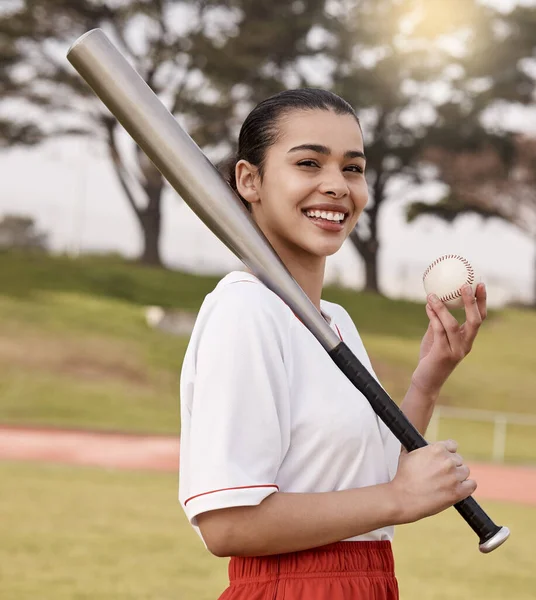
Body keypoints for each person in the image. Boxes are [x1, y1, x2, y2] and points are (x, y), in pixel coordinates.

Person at [178, 88, 487, 600]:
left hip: (366, 582)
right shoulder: (246, 310)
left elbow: (360, 482)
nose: (336, 186)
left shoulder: (334, 320)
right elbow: (227, 524)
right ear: (249, 180)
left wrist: (428, 380)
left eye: (352, 168)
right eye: (308, 163)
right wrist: (397, 498)